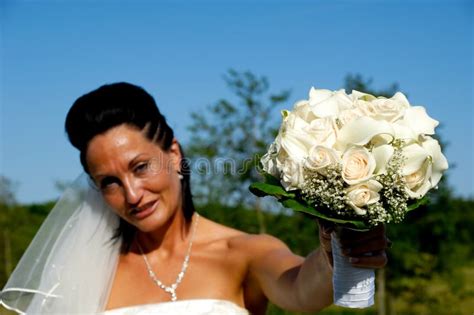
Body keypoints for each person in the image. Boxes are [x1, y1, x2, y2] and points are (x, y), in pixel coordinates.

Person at [0, 82, 389, 314]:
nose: (133, 194)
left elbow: (303, 290)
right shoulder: (85, 272)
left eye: (140, 167)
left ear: (173, 154)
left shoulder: (244, 252)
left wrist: (334, 249)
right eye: (110, 183)